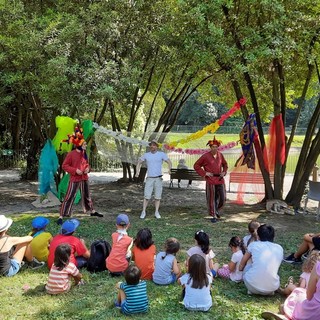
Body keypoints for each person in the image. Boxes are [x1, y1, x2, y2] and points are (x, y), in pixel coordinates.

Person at [57, 124, 103, 225]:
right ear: (79, 145)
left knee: (87, 196)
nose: (86, 146)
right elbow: (64, 165)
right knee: (69, 197)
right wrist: (75, 170)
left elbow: (87, 165)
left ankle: (92, 211)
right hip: (74, 179)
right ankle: (61, 216)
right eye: (85, 144)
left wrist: (88, 169)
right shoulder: (71, 154)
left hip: (84, 178)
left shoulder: (84, 154)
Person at [239, 224, 283, 295]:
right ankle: (268, 287)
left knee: (250, 258)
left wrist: (240, 269)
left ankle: (253, 288)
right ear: (273, 236)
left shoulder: (253, 245)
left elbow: (242, 264)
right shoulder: (279, 248)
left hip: (251, 285)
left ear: (258, 236)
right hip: (272, 288)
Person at [194, 136, 228, 223]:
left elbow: (225, 165)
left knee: (223, 197)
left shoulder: (220, 155)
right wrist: (204, 173)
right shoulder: (205, 156)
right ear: (210, 147)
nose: (215, 148)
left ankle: (216, 210)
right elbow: (196, 165)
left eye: (216, 147)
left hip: (220, 179)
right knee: (212, 198)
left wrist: (224, 172)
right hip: (211, 180)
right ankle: (213, 215)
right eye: (213, 147)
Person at [135, 140, 172, 219]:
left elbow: (169, 162)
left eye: (154, 145)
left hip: (158, 178)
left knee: (157, 197)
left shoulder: (161, 154)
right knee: (146, 196)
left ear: (157, 146)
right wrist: (137, 171)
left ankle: (156, 212)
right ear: (150, 146)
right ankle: (143, 211)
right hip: (149, 178)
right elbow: (139, 162)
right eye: (151, 145)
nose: (152, 146)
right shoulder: (146, 155)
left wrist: (169, 169)